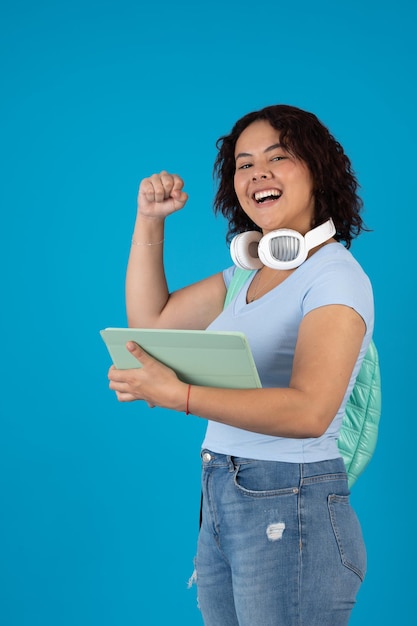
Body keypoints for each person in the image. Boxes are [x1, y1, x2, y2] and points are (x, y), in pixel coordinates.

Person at [108, 104, 374, 626]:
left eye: (278, 157)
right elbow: (153, 322)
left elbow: (309, 413)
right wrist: (149, 220)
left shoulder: (335, 278)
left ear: (318, 168)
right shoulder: (244, 277)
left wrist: (178, 395)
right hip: (223, 491)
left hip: (290, 498)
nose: (258, 173)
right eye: (244, 164)